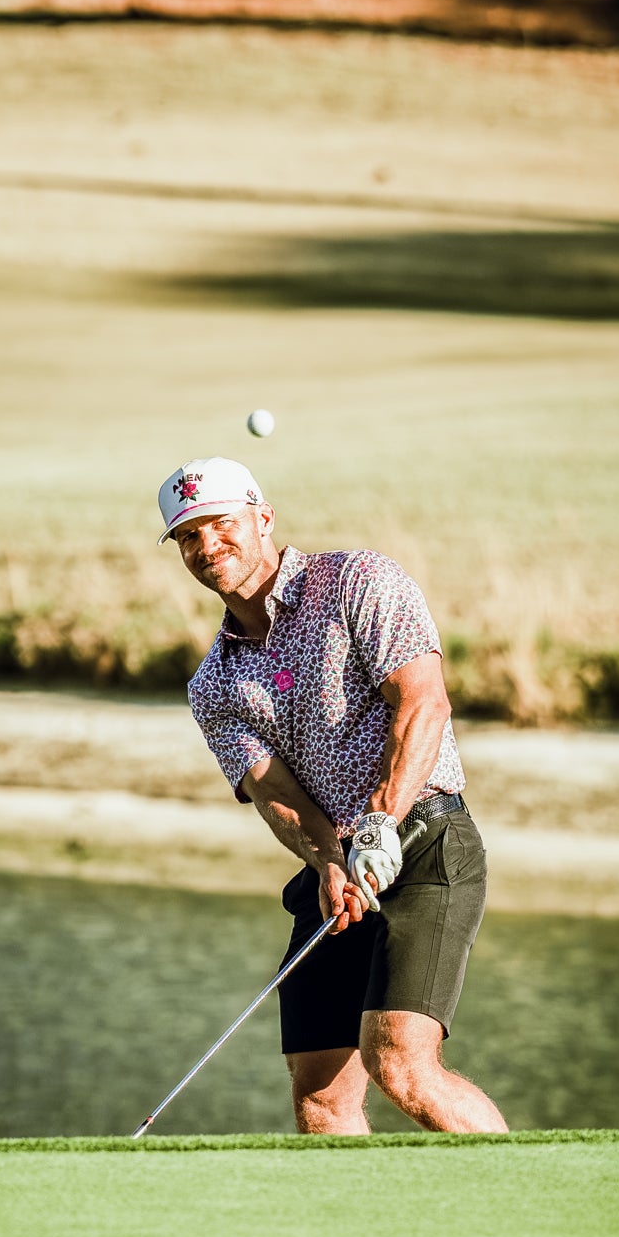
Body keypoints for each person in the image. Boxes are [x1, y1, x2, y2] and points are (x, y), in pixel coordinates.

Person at [159, 456, 507, 1137]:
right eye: (188, 537)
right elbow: (274, 792)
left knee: (400, 1064)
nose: (207, 548)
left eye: (220, 525)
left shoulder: (356, 582)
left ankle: (525, 1203)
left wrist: (378, 823)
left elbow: (422, 704)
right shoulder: (213, 683)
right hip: (336, 871)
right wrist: (325, 861)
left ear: (262, 518)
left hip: (426, 844)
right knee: (319, 1097)